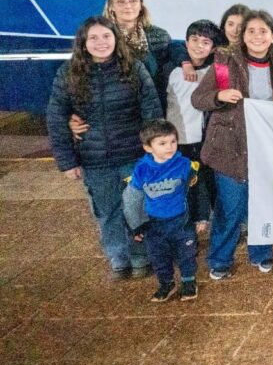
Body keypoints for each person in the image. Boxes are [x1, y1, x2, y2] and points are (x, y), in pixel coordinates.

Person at [47, 16, 162, 280]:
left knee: (137, 208)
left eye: (107, 36)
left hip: (134, 155)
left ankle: (141, 255)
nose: (101, 43)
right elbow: (56, 116)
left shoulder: (134, 68)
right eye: (94, 38)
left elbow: (151, 110)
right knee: (107, 211)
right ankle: (118, 258)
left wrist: (155, 151)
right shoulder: (68, 74)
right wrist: (67, 161)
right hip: (94, 159)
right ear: (83, 43)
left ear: (116, 39)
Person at [192, 9, 273, 279]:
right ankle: (220, 260)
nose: (257, 36)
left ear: (272, 37)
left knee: (262, 205)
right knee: (229, 207)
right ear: (242, 37)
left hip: (264, 149)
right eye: (251, 31)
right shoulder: (225, 62)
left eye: (263, 31)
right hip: (228, 148)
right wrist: (219, 95)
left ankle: (261, 253)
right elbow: (199, 99)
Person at [121, 120, 200, 302]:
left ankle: (189, 282)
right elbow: (132, 199)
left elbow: (197, 191)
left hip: (181, 220)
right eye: (162, 143)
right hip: (154, 224)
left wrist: (201, 217)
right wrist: (135, 226)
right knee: (159, 257)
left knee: (187, 254)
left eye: (173, 142)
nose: (169, 147)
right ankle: (166, 283)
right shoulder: (142, 169)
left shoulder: (185, 164)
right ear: (148, 148)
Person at [165, 19, 224, 233]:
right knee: (183, 185)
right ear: (186, 41)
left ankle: (215, 224)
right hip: (177, 141)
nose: (199, 45)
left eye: (205, 42)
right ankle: (187, 228)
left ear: (213, 48)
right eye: (194, 39)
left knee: (210, 183)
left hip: (205, 139)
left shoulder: (215, 71)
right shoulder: (171, 70)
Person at [102, 0, 172, 106]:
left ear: (141, 5)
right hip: (118, 108)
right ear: (111, 7)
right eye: (120, 2)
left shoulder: (160, 35)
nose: (127, 6)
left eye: (133, 1)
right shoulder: (102, 38)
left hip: (153, 105)